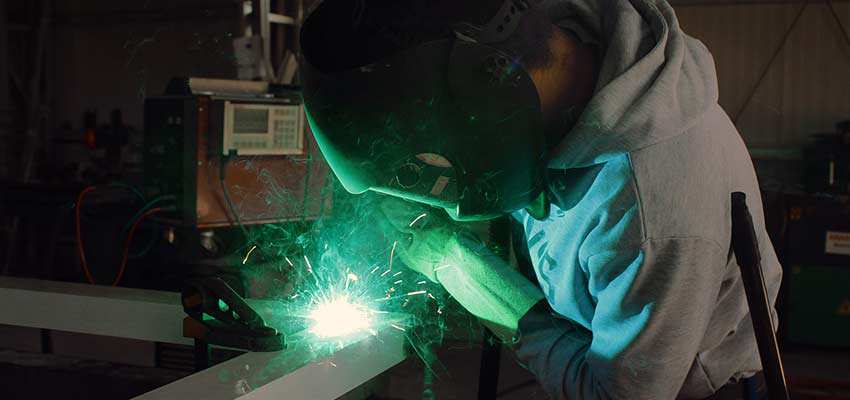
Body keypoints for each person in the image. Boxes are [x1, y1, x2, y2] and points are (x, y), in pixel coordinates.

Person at [299, 0, 782, 398]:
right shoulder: (553, 71)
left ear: (481, 101)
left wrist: (463, 269)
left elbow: (613, 395)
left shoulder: (649, 207)